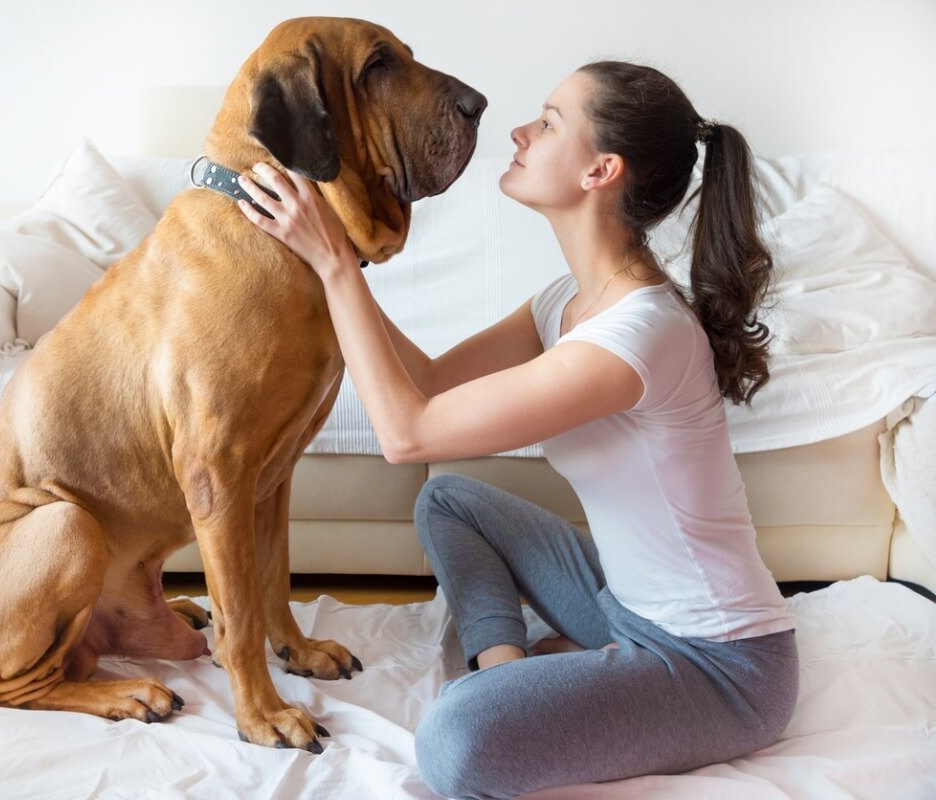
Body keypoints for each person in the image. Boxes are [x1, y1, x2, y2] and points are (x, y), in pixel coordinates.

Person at [235, 60, 798, 799]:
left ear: (601, 169)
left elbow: (408, 434)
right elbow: (432, 384)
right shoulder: (568, 301)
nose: (520, 131)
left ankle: (511, 681)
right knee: (452, 502)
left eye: (549, 121)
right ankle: (506, 662)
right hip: (618, 605)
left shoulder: (642, 335)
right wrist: (336, 263)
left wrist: (335, 265)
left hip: (720, 666)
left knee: (456, 741)